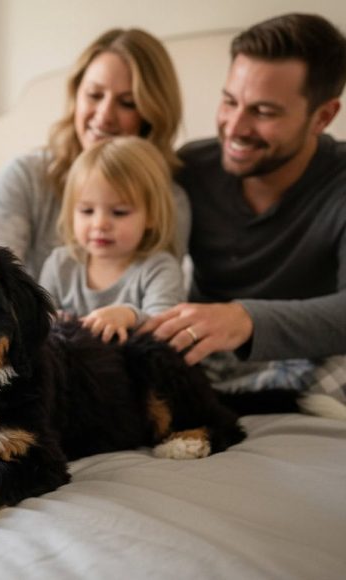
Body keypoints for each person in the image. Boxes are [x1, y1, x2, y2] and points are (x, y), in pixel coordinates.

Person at [141, 13, 346, 397]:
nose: (234, 127)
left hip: (307, 360)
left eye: (264, 112)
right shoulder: (191, 169)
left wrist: (245, 319)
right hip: (203, 358)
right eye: (230, 101)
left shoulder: (339, 184)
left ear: (323, 116)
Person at [0, 28, 190, 280]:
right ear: (76, 96)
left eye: (127, 103)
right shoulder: (26, 178)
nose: (104, 115)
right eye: (95, 95)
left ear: (151, 117)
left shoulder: (168, 201)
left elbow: (163, 293)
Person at [39, 137, 184, 344]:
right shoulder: (59, 264)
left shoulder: (159, 268)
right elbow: (40, 321)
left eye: (119, 212)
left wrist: (129, 315)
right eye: (87, 211)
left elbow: (165, 328)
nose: (100, 224)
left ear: (151, 216)